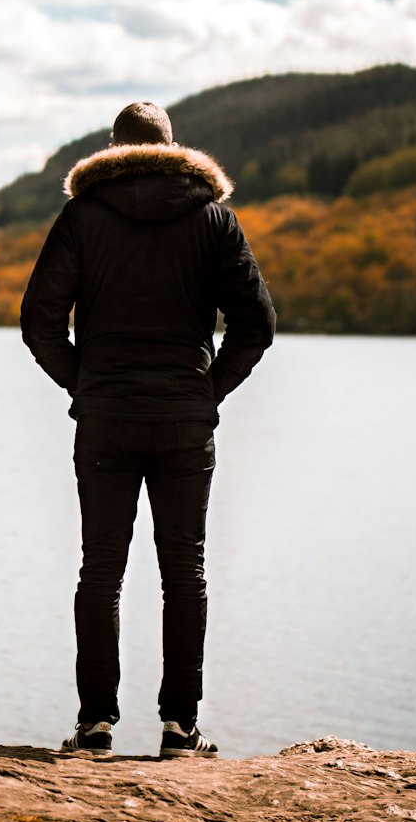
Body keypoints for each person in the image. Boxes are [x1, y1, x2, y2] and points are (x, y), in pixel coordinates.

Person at [20, 101, 276, 759]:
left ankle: (96, 724)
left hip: (105, 421)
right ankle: (180, 730)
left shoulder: (82, 215)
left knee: (100, 571)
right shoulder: (214, 219)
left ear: (112, 148)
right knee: (184, 573)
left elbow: (38, 320)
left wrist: (84, 382)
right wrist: (205, 390)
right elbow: (258, 325)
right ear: (173, 147)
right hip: (185, 424)